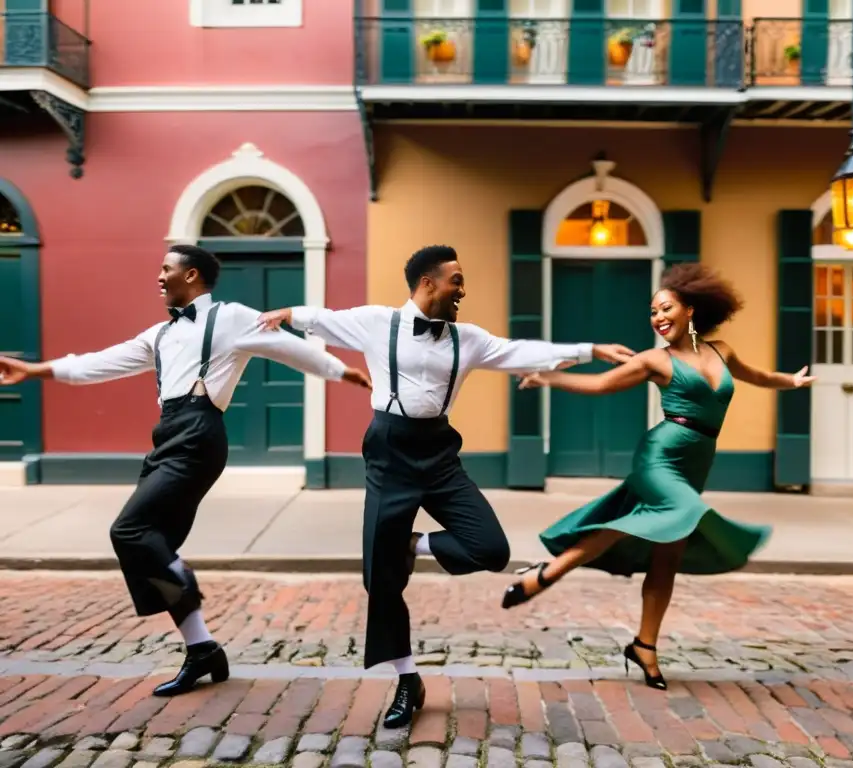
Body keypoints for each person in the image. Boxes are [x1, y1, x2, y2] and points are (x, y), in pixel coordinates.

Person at [256, 244, 635, 728]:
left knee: (491, 548)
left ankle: (415, 543)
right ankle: (406, 679)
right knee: (381, 579)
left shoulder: (469, 339)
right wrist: (284, 315)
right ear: (428, 283)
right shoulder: (378, 322)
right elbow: (324, 319)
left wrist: (589, 351)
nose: (463, 289)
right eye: (456, 280)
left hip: (438, 454)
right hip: (389, 453)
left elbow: (521, 352)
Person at [0, 244, 370, 698]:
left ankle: (182, 580)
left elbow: (287, 347)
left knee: (130, 531)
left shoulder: (230, 317)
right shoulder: (160, 335)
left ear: (191, 276)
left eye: (166, 269)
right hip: (169, 435)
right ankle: (202, 649)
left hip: (199, 434)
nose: (158, 277)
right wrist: (33, 371)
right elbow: (98, 363)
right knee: (151, 549)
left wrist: (340, 371)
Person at [500, 262, 816, 690]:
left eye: (665, 308)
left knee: (668, 554)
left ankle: (645, 646)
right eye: (653, 312)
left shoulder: (722, 351)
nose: (658, 318)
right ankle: (547, 573)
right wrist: (547, 377)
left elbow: (758, 377)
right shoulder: (655, 360)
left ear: (691, 309)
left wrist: (791, 382)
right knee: (671, 514)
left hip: (697, 462)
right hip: (661, 456)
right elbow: (601, 385)